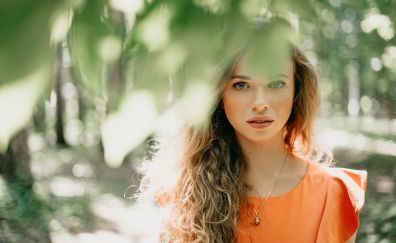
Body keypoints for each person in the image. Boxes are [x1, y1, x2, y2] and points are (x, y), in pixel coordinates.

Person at [137, 18, 367, 243]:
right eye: (241, 85)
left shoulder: (334, 195)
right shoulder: (184, 192)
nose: (260, 103)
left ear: (296, 92)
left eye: (276, 84)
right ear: (219, 97)